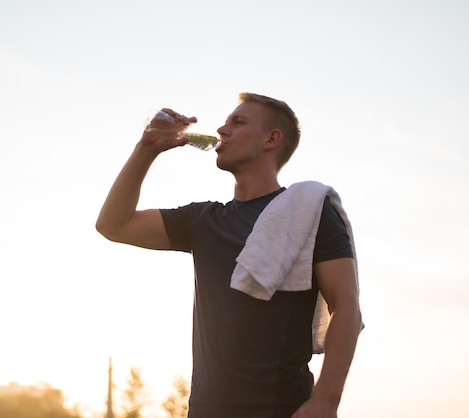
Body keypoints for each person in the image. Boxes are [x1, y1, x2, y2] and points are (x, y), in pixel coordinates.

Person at [96, 93, 362, 418]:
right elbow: (113, 225)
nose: (222, 129)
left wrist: (325, 400)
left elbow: (346, 303)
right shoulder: (202, 221)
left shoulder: (308, 211)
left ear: (271, 139)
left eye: (238, 122)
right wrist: (147, 148)